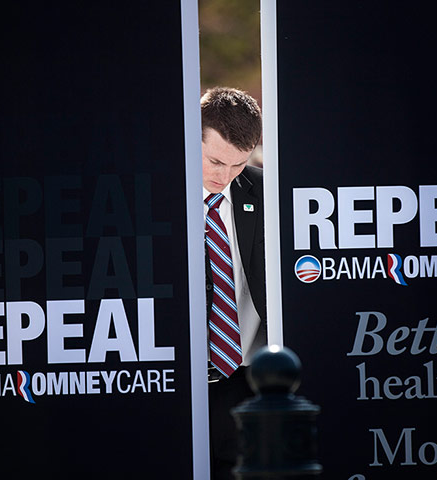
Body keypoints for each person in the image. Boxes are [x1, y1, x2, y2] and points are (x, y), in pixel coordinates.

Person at [201, 87, 266, 480]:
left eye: (238, 165)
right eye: (215, 161)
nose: (224, 176)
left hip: (245, 376)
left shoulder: (268, 191)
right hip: (176, 374)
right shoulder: (152, 189)